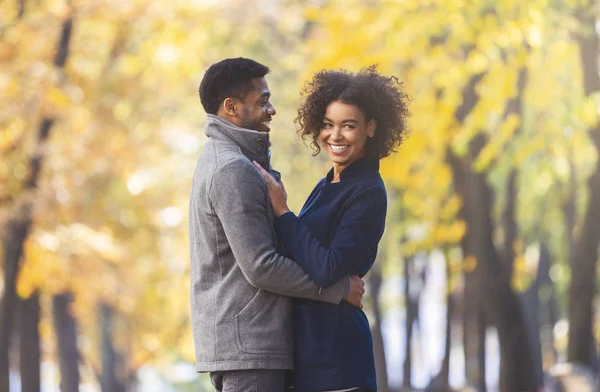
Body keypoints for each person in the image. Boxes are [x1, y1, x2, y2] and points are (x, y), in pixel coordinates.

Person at [189, 57, 365, 392]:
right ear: (231, 107)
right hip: (251, 350)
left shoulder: (231, 160)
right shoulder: (232, 169)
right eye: (262, 102)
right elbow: (260, 265)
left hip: (250, 347)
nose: (271, 110)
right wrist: (339, 289)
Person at [254, 66, 410, 392]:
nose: (335, 136)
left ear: (371, 128)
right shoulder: (329, 182)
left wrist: (283, 212)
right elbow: (302, 254)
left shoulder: (367, 190)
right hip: (310, 357)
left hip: (338, 361)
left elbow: (327, 268)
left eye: (348, 126)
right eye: (328, 125)